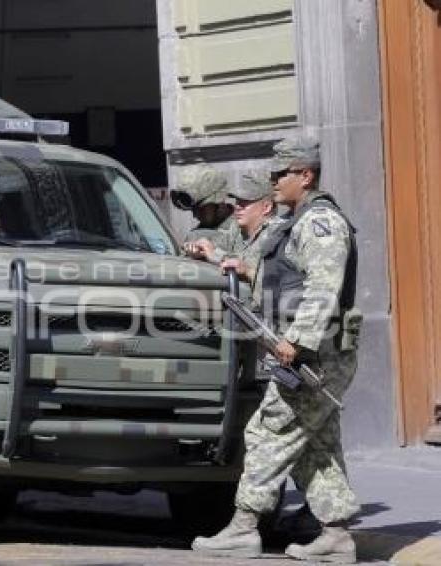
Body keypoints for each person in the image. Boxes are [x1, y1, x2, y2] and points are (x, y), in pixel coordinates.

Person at [191, 135, 361, 563]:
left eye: (280, 174)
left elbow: (323, 288)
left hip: (313, 354)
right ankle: (336, 535)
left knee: (267, 432)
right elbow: (285, 277)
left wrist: (298, 344)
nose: (273, 182)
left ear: (305, 175)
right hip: (309, 350)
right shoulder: (298, 222)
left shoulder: (320, 223)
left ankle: (244, 527)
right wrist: (232, 265)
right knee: (316, 446)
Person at [171, 163, 239, 250]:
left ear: (218, 201)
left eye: (201, 209)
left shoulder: (245, 230)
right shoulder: (195, 236)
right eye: (193, 210)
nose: (195, 216)